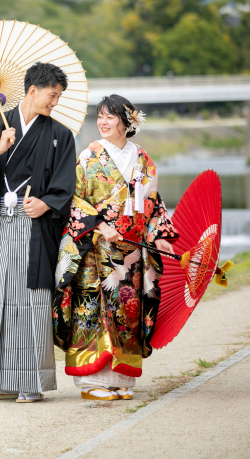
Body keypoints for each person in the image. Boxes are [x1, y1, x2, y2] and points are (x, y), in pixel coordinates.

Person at [0, 62, 77, 403]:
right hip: (0, 222)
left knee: (30, 300)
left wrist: (47, 204)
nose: (54, 103)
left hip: (35, 225)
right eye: (51, 96)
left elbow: (65, 184)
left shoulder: (60, 135)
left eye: (58, 97)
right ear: (32, 91)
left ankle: (31, 383)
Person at [53, 95, 179, 401]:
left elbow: (153, 202)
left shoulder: (143, 159)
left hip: (132, 253)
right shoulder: (89, 156)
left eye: (110, 117)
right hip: (97, 252)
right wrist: (100, 226)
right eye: (100, 117)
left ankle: (121, 379)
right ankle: (91, 381)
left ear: (127, 122)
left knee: (127, 314)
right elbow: (75, 198)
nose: (103, 122)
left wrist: (161, 234)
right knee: (94, 314)